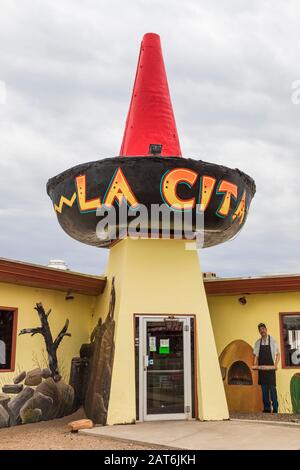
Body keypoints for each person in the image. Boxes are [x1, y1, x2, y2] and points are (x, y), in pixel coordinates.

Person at [253, 323, 280, 413]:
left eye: (263, 329)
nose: (262, 331)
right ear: (259, 331)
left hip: (271, 370)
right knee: (264, 391)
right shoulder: (257, 342)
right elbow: (256, 356)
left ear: (266, 329)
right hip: (262, 371)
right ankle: (267, 409)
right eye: (260, 330)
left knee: (272, 390)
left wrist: (275, 365)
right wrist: (255, 365)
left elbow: (278, 354)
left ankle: (275, 408)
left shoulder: (272, 341)